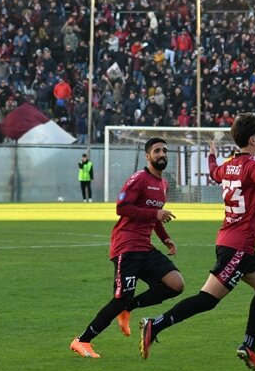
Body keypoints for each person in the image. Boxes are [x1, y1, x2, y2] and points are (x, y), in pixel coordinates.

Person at [139, 113, 255, 371]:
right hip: (238, 247)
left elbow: (214, 172)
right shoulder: (253, 165)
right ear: (252, 140)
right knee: (207, 299)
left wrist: (212, 155)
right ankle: (154, 325)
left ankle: (249, 345)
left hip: (236, 244)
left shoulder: (232, 164)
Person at [70, 138, 185, 359]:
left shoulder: (163, 184)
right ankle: (82, 340)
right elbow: (122, 207)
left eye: (165, 151)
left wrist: (166, 239)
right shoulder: (138, 179)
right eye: (157, 151)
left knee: (176, 284)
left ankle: (128, 307)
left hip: (145, 247)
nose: (162, 154)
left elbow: (156, 218)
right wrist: (155, 214)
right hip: (127, 246)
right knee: (121, 297)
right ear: (147, 156)